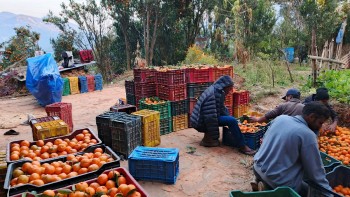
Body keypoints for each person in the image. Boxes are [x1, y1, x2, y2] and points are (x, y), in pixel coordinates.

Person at [252, 102, 331, 196]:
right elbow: (315, 172)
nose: (320, 127)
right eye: (320, 123)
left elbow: (264, 140)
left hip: (257, 168)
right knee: (308, 190)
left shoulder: (281, 118)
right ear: (312, 117)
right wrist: (329, 192)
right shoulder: (308, 135)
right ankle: (272, 190)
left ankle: (261, 183)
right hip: (276, 181)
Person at [190, 75, 256, 155]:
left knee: (231, 119)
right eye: (230, 88)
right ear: (225, 86)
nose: (230, 90)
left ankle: (208, 139)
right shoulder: (215, 94)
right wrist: (215, 136)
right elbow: (210, 118)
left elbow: (221, 108)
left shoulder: (217, 90)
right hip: (200, 121)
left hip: (201, 118)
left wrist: (229, 117)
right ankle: (242, 146)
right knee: (231, 121)